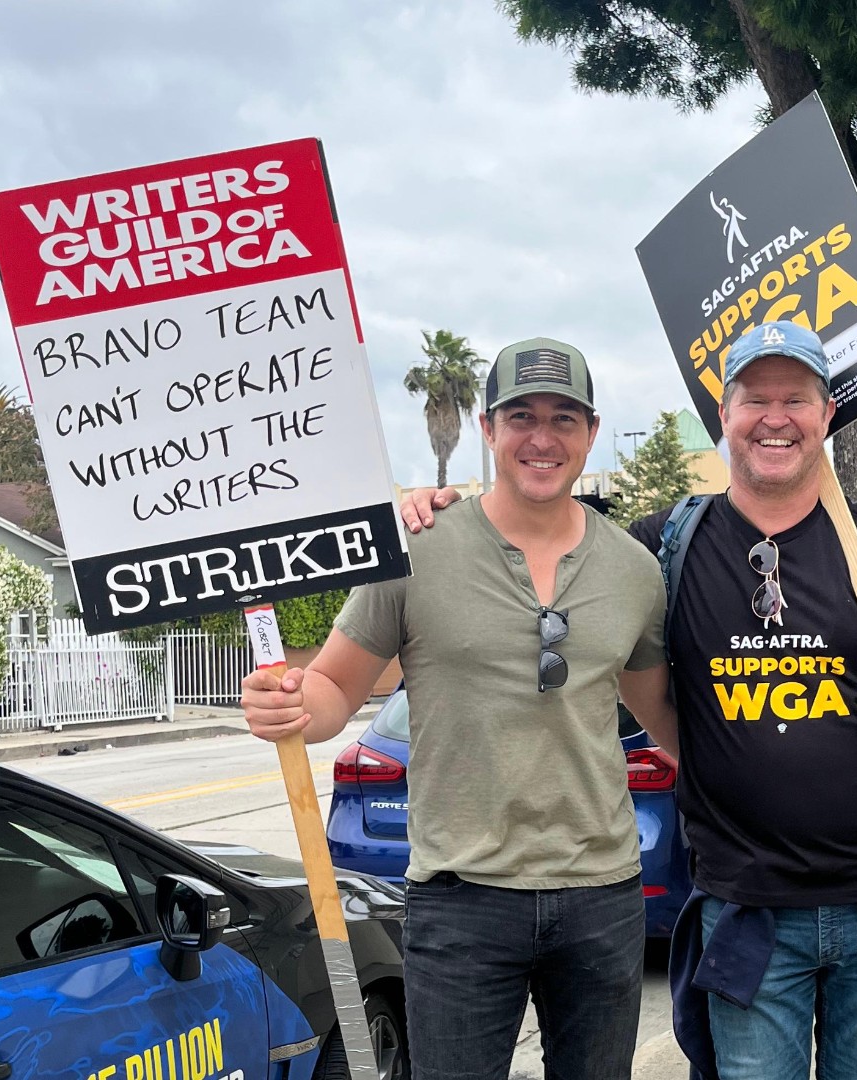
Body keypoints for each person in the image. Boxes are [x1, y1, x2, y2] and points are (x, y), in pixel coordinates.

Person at [400, 320, 857, 1080]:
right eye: (755, 399)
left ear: (826, 413)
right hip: (746, 908)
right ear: (724, 416)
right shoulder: (664, 544)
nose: (776, 417)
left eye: (796, 398)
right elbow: (552, 536)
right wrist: (447, 510)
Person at [241, 337, 678, 1080]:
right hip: (461, 899)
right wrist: (288, 702)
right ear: (486, 427)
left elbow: (667, 719)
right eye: (522, 417)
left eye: (564, 419)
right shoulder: (418, 545)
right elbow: (337, 689)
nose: (542, 438)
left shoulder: (634, 572)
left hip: (601, 899)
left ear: (592, 432)